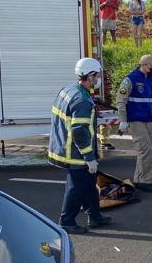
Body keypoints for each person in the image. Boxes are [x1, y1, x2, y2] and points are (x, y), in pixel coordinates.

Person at [48, 58, 112, 234]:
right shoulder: (82, 100)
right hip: (74, 152)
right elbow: (79, 132)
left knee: (89, 183)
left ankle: (95, 216)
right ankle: (66, 221)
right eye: (97, 76)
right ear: (90, 76)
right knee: (76, 187)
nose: (99, 79)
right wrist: (89, 157)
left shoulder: (68, 89)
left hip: (64, 145)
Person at [116, 53, 152, 193]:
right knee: (144, 150)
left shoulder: (151, 80)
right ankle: (144, 181)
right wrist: (123, 120)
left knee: (147, 151)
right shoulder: (130, 80)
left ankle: (141, 179)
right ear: (144, 65)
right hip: (136, 121)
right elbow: (121, 101)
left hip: (148, 120)